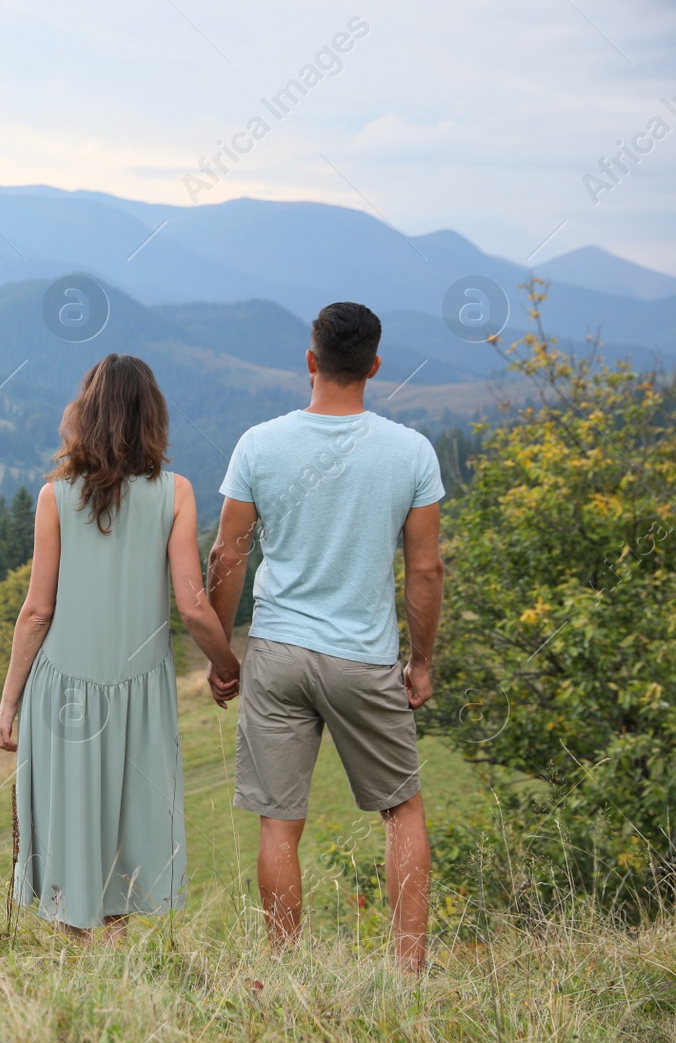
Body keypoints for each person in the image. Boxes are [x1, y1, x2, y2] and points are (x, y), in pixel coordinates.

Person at [206, 301, 444, 972]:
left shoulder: (259, 444)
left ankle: (282, 972)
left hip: (277, 650)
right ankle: (408, 978)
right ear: (373, 367)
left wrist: (224, 656)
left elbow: (228, 556)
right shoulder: (411, 453)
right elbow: (424, 569)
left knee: (280, 823)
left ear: (310, 361)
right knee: (401, 812)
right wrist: (419, 663)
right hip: (364, 657)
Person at [0, 353, 241, 940]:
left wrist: (8, 705)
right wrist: (227, 666)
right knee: (129, 838)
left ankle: (73, 980)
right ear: (151, 417)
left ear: (86, 414)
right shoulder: (175, 493)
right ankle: (112, 974)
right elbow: (193, 605)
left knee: (67, 835)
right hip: (140, 695)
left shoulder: (55, 497)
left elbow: (36, 611)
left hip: (60, 693)